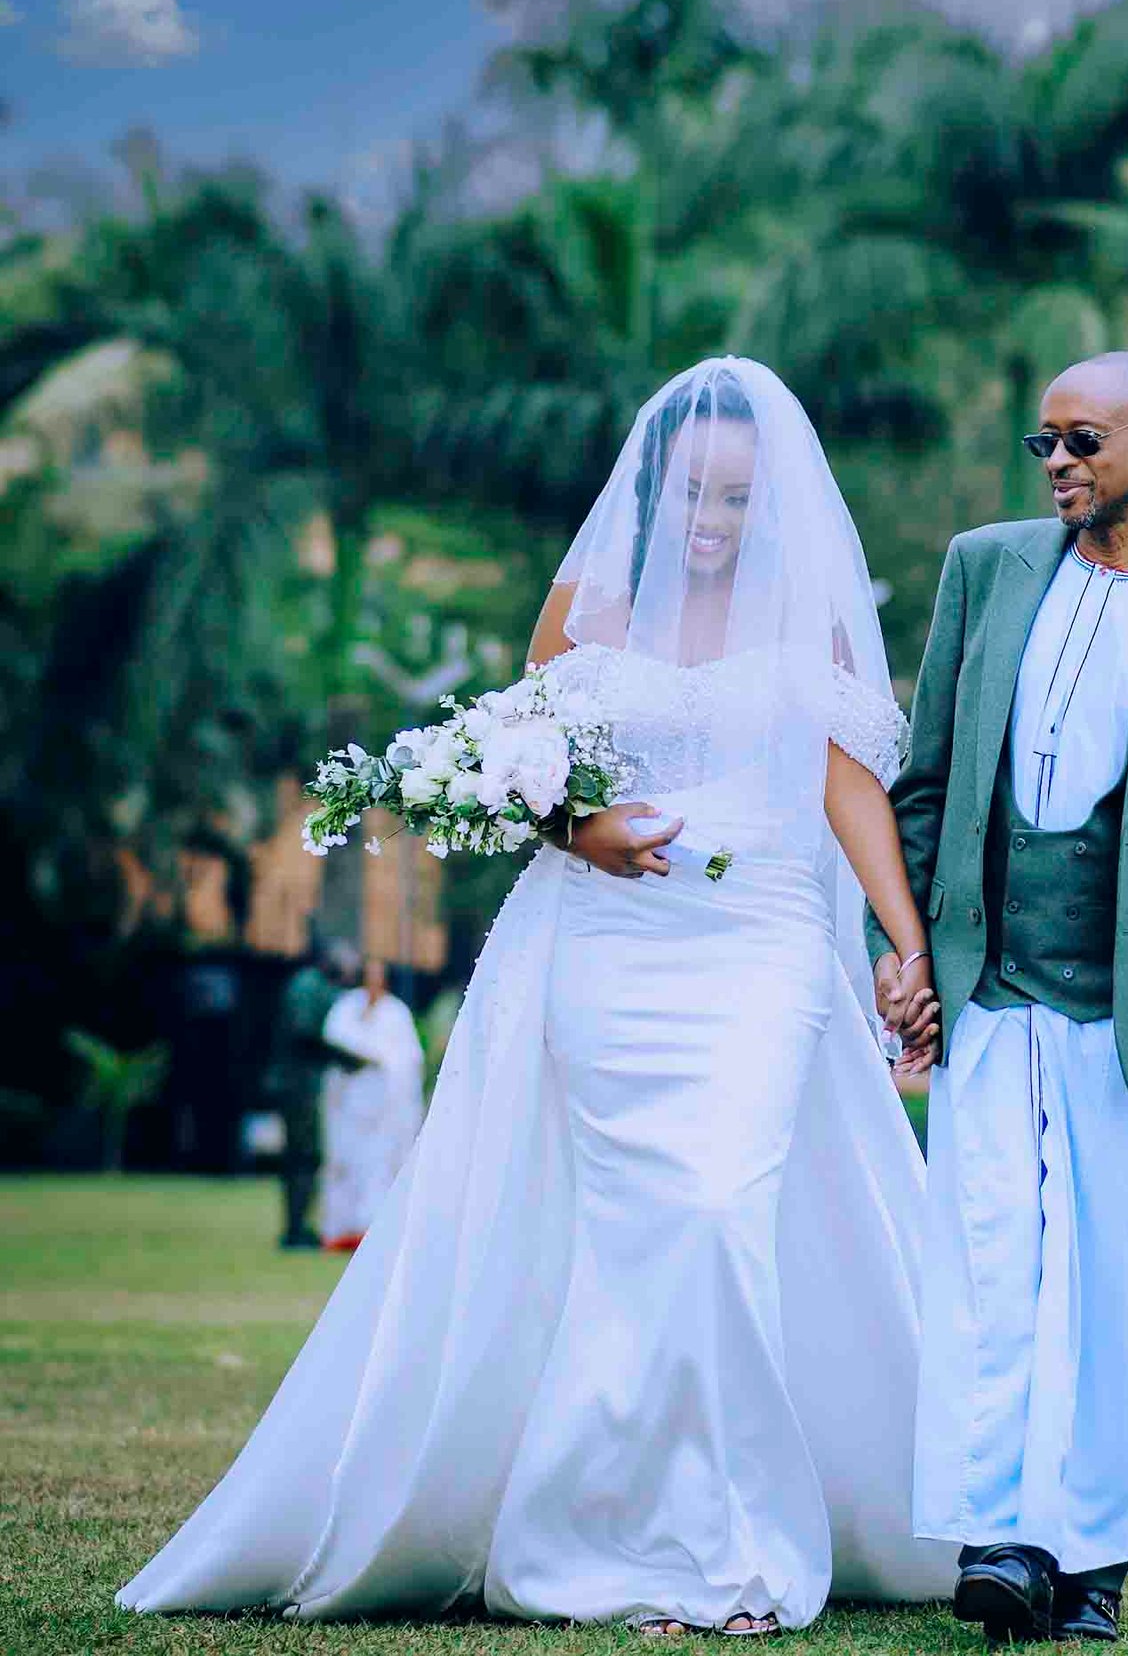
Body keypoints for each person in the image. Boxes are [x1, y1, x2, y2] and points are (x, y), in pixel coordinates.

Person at [117, 357, 949, 1630]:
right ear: (654, 487)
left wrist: (905, 943)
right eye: (694, 493)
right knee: (625, 1229)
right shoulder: (586, 606)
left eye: (737, 497)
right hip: (606, 941)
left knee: (716, 1208)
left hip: (760, 936)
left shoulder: (811, 617)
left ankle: (731, 1545)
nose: (712, 519)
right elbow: (518, 763)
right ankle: (617, 1530)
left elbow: (847, 788)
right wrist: (578, 827)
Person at [873, 351, 1128, 1645]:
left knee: (1112, 1284)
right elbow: (924, 782)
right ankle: (999, 1540)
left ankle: (1091, 1557)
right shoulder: (983, 568)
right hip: (989, 985)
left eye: (1083, 440)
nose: (1057, 462)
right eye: (1043, 442)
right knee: (990, 1262)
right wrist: (905, 954)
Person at [318, 957, 425, 1252]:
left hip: (383, 1108)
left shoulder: (396, 1013)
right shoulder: (346, 1007)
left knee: (378, 1167)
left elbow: (407, 1059)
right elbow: (334, 1042)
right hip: (348, 1104)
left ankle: (371, 1231)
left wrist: (378, 1060)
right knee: (344, 1165)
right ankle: (340, 1229)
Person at [266, 938, 365, 1251]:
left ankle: (298, 1226)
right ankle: (295, 1230)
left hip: (300, 1084)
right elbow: (305, 1033)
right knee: (304, 1156)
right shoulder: (308, 986)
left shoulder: (314, 985)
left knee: (304, 1157)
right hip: (297, 1085)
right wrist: (346, 1057)